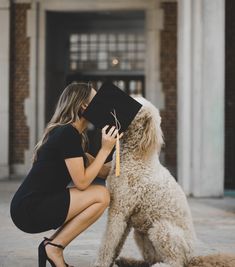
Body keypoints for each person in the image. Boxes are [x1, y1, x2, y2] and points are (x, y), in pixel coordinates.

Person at [10, 82, 123, 267]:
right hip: (30, 208)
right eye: (97, 100)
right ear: (83, 106)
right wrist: (105, 149)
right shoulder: (67, 134)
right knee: (101, 195)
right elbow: (82, 183)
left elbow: (101, 170)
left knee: (100, 193)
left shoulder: (71, 136)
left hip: (31, 204)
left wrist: (122, 150)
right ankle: (53, 247)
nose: (102, 105)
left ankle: (53, 246)